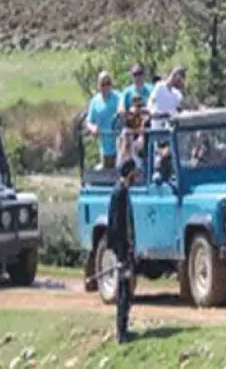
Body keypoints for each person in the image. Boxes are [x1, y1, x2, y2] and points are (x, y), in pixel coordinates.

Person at [107, 158, 138, 344]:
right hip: (122, 250)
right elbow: (116, 226)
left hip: (126, 249)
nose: (136, 176)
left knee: (128, 290)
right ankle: (121, 332)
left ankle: (124, 329)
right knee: (124, 291)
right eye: (134, 173)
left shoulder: (123, 192)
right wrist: (121, 252)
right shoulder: (119, 193)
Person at [85, 71, 121, 170]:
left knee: (119, 171)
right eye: (103, 84)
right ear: (98, 85)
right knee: (105, 170)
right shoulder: (95, 101)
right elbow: (88, 121)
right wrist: (93, 128)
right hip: (104, 145)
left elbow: (124, 112)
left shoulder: (118, 97)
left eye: (108, 83)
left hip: (119, 143)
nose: (106, 87)